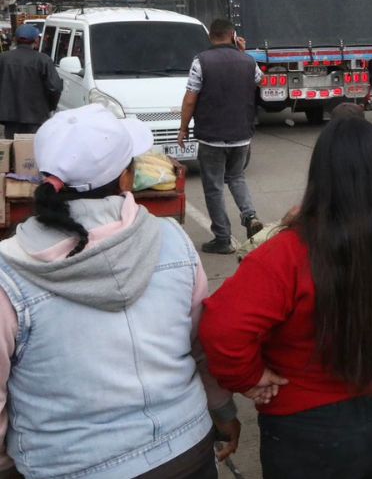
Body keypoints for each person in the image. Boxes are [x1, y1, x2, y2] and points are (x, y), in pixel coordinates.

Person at [200, 118, 372, 479]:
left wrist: (252, 378)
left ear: (320, 178)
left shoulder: (284, 254)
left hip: (309, 433)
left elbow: (221, 331)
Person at [0, 104, 240, 478]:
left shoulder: (9, 271)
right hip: (186, 450)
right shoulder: (172, 239)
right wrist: (223, 412)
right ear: (126, 179)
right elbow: (200, 346)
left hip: (69, 465)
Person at [178, 18, 263, 255]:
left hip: (211, 137)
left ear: (211, 36)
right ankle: (250, 215)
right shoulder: (248, 61)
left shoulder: (201, 61)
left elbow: (190, 98)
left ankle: (222, 238)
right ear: (233, 35)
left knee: (214, 186)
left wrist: (183, 127)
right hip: (242, 135)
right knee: (236, 177)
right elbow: (258, 81)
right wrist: (242, 53)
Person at [0, 23, 61, 139]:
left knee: (13, 149)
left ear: (15, 40)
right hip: (36, 116)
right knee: (32, 151)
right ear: (36, 41)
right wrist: (50, 107)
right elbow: (55, 87)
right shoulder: (43, 60)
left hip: (10, 116)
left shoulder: (3, 58)